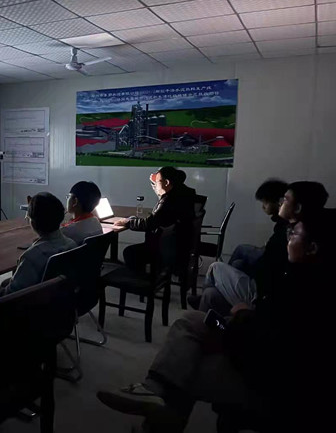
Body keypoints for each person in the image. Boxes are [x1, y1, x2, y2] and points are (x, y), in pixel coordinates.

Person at [96, 214, 333, 433]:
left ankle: (159, 409)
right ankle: (154, 389)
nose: (287, 238)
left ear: (312, 248)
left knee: (185, 368)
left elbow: (269, 343)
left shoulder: (308, 291)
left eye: (293, 234)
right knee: (189, 321)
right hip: (255, 347)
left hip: (270, 379)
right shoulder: (299, 274)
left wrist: (239, 319)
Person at [195, 180, 328, 316]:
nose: (280, 202)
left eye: (285, 199)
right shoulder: (288, 229)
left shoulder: (301, 240)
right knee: (210, 294)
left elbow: (277, 280)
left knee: (215, 267)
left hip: (260, 296)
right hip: (261, 288)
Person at [0, 192, 76, 298]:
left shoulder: (31, 257)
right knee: (5, 283)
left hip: (33, 304)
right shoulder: (72, 244)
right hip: (59, 300)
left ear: (32, 222)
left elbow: (10, 295)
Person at [116, 167, 195, 272]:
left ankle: (140, 280)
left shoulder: (169, 200)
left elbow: (150, 223)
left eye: (156, 182)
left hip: (166, 247)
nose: (155, 185)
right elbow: (161, 217)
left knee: (130, 252)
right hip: (178, 244)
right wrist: (159, 187)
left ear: (167, 182)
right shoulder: (183, 194)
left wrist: (128, 222)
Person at [228, 179, 289, 276]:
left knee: (239, 255)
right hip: (269, 258)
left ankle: (226, 277)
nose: (263, 207)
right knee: (238, 259)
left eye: (265, 202)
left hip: (269, 262)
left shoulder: (285, 223)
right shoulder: (282, 221)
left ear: (278, 201)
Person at [61, 180, 103, 245]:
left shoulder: (66, 231)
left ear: (75, 201)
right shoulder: (95, 221)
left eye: (68, 196)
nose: (67, 199)